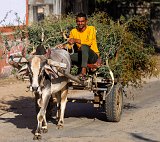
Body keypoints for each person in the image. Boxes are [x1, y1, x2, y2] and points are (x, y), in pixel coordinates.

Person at [61, 13, 99, 79]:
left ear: (86, 21)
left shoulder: (91, 29)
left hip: (92, 57)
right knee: (66, 55)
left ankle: (83, 71)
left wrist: (76, 40)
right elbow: (70, 46)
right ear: (76, 22)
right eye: (78, 21)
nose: (80, 23)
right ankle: (63, 73)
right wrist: (64, 46)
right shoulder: (73, 31)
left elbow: (89, 43)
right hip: (81, 56)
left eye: (82, 21)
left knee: (84, 46)